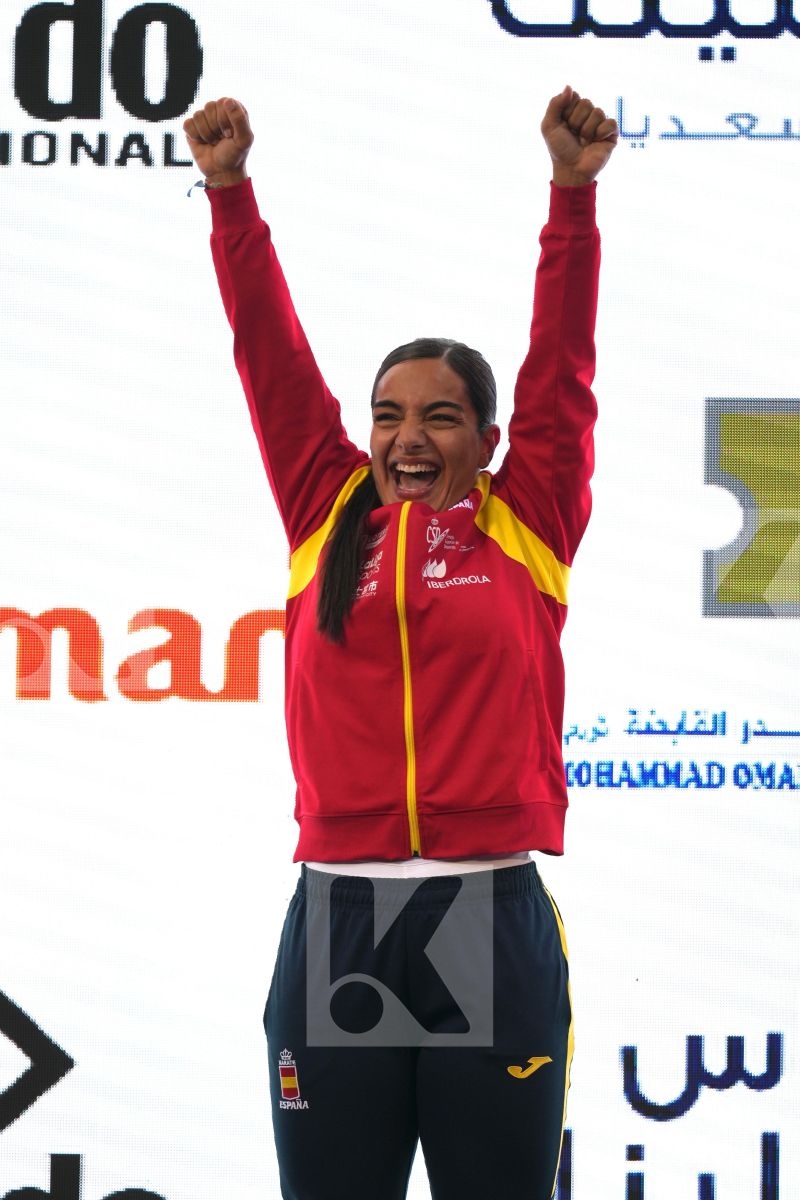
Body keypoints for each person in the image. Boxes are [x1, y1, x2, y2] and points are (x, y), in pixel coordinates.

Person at [184, 86, 617, 1200]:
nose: (406, 436)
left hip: (488, 913)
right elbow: (268, 361)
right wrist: (229, 197)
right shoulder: (325, 513)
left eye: (435, 416)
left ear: (484, 437)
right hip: (341, 920)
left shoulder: (526, 524)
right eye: (387, 413)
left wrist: (571, 199)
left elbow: (561, 366)